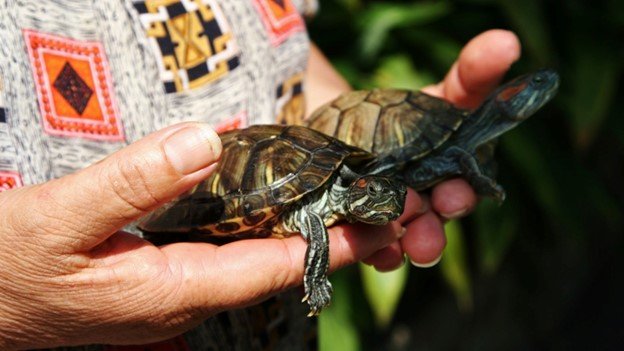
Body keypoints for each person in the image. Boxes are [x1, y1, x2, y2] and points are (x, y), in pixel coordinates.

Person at [0, 0, 521, 348]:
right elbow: (314, 218)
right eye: (371, 196)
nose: (381, 204)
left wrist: (358, 117)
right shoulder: (319, 209)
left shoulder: (349, 188)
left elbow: (285, 38)